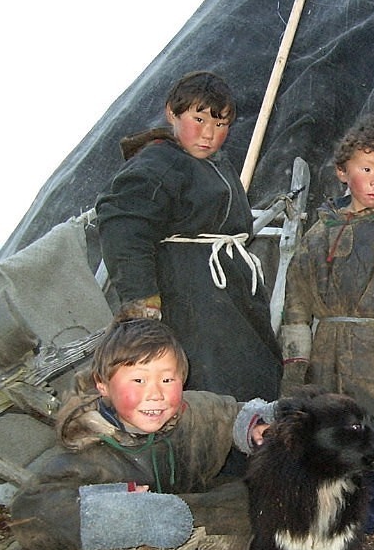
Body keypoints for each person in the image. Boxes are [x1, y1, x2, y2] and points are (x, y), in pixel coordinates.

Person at [9, 318, 277, 550]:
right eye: (138, 379)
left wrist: (258, 426)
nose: (155, 394)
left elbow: (232, 412)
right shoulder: (85, 447)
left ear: (183, 379)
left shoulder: (192, 416)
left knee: (243, 500)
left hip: (179, 547)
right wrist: (122, 513)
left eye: (167, 379)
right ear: (103, 385)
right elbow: (31, 510)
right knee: (83, 515)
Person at [278, 115, 374, 533]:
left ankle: (368, 516)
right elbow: (297, 294)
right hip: (327, 350)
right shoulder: (320, 230)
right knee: (330, 433)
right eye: (366, 168)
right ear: (343, 172)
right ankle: (332, 514)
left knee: (373, 433)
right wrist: (297, 360)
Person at [95, 71, 282, 411]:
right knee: (211, 391)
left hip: (228, 299)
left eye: (221, 124)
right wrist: (142, 301)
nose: (209, 134)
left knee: (251, 379)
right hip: (190, 298)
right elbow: (124, 225)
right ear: (172, 113)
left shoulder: (215, 166)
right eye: (198, 119)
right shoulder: (159, 162)